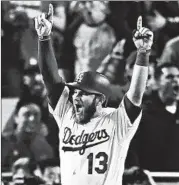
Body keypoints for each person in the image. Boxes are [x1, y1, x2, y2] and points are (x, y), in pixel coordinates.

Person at [34, 4, 153, 185]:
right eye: (76, 92)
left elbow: (135, 95)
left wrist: (143, 53)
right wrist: (44, 38)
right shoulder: (67, 114)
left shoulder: (117, 121)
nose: (75, 97)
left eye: (84, 94)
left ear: (99, 99)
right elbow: (51, 80)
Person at [127, 63, 179, 171]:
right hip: (153, 177)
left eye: (178, 76)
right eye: (169, 77)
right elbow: (132, 146)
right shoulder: (144, 113)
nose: (176, 80)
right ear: (157, 82)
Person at [2, 99, 54, 171]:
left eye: (36, 114)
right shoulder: (5, 141)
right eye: (27, 114)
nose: (32, 119)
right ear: (16, 118)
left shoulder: (47, 141)